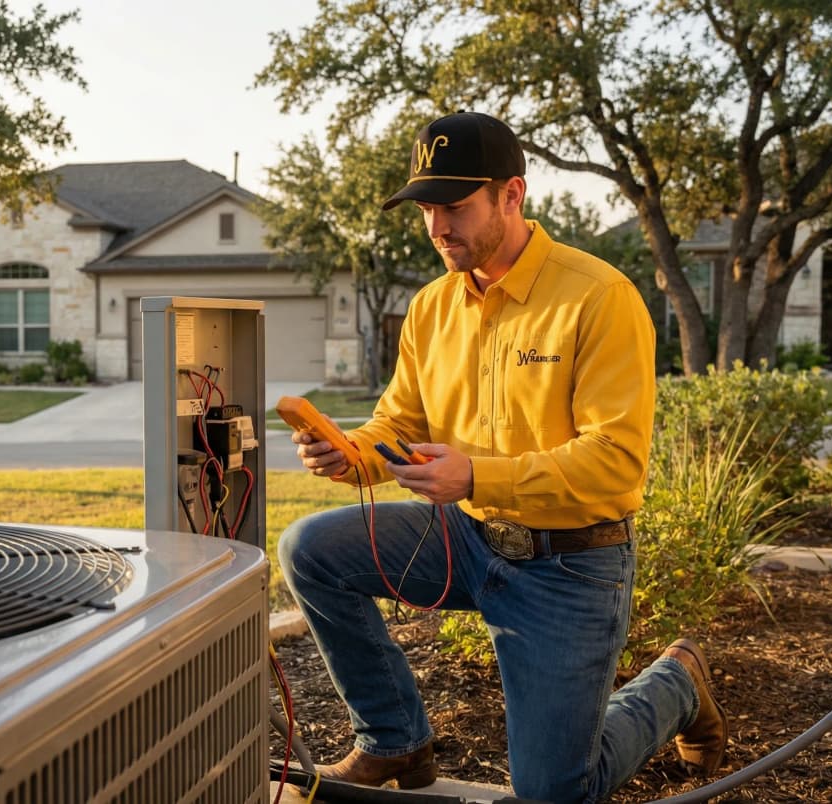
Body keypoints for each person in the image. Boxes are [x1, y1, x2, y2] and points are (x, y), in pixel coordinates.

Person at [277, 111, 728, 803]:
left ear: (511, 197)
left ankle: (673, 685)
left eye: (454, 207)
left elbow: (615, 461)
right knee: (310, 548)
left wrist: (476, 473)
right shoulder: (431, 309)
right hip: (465, 537)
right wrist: (350, 454)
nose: (436, 228)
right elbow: (398, 423)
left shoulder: (597, 297)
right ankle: (395, 739)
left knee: (554, 792)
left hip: (569, 562)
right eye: (426, 209)